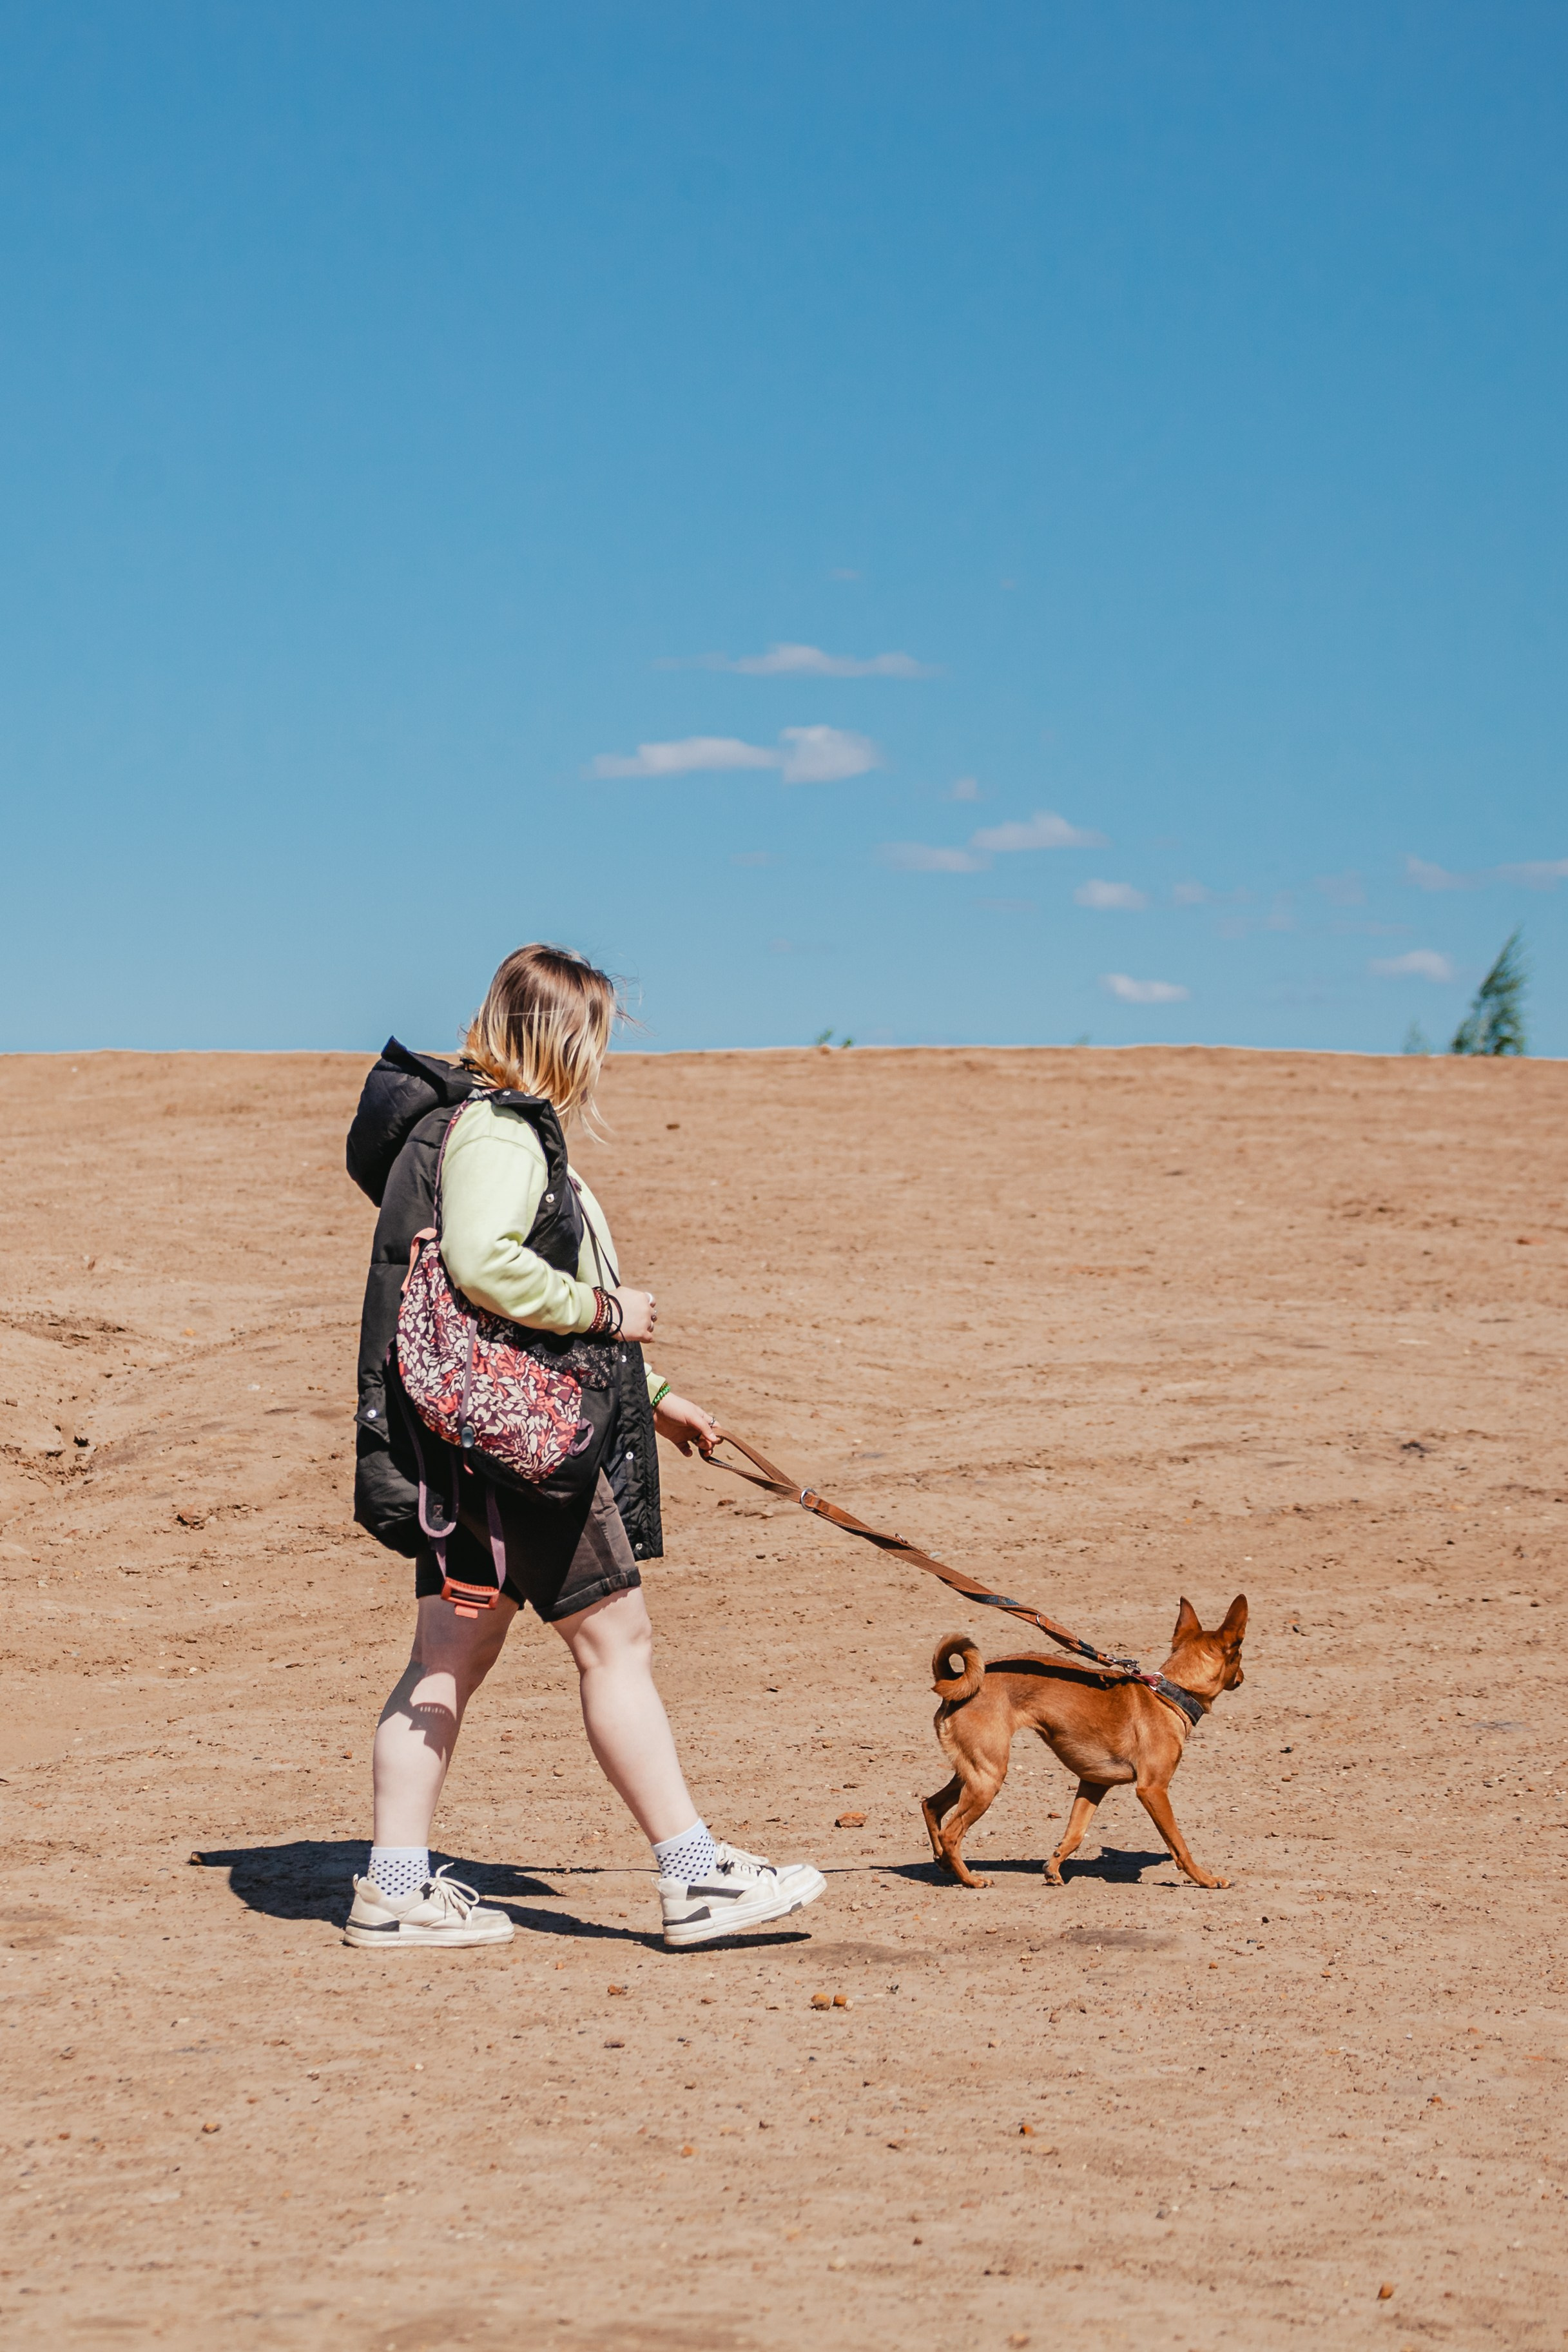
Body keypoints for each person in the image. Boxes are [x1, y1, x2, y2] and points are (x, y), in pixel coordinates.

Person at [342, 942, 826, 1952]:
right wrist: (613, 1311)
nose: (598, 1058)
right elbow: (484, 1271)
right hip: (521, 1459)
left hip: (463, 1453)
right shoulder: (504, 1132)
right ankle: (693, 1877)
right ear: (563, 1036)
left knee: (447, 1654)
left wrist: (655, 1399)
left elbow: (508, 1328)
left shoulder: (463, 1126)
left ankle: (393, 1885)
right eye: (594, 1037)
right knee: (616, 1645)